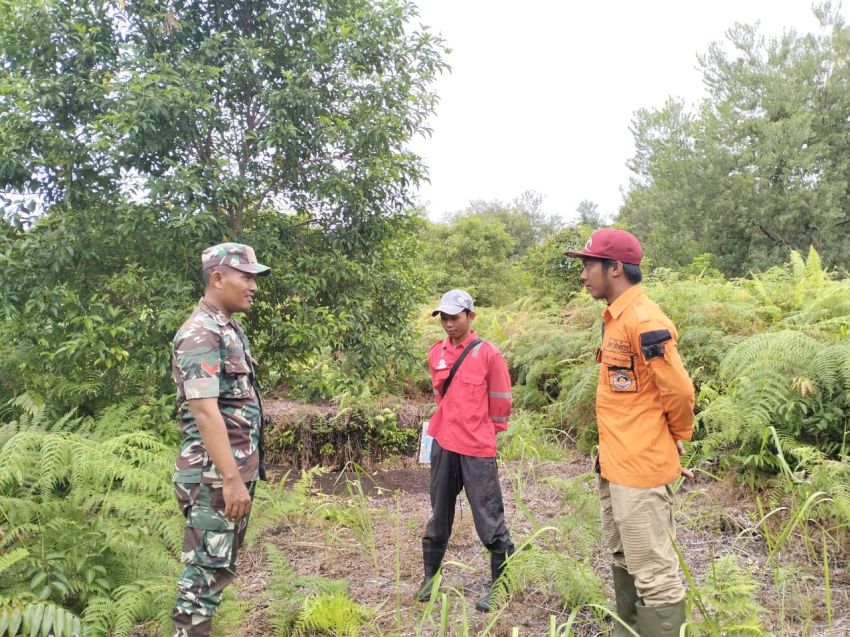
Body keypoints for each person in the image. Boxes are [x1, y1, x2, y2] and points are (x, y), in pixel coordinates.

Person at [564, 229, 694, 637]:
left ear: (615, 268)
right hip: (616, 466)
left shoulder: (645, 320)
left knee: (654, 573)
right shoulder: (616, 318)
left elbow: (680, 391)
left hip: (641, 472)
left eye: (589, 266)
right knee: (623, 556)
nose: (583, 275)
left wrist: (674, 438)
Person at [170, 243, 270, 637]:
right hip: (212, 478)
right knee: (201, 584)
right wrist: (230, 479)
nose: (253, 286)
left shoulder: (228, 328)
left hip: (228, 473)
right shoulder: (200, 333)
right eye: (246, 277)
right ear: (217, 279)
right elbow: (205, 411)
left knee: (214, 575)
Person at [415, 289, 515, 613]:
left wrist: (484, 431)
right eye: (443, 318)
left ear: (470, 317)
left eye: (454, 318)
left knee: (488, 518)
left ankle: (500, 587)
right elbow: (440, 397)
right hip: (444, 444)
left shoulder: (488, 354)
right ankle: (430, 580)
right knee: (438, 517)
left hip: (477, 449)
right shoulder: (436, 353)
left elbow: (500, 402)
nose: (448, 324)